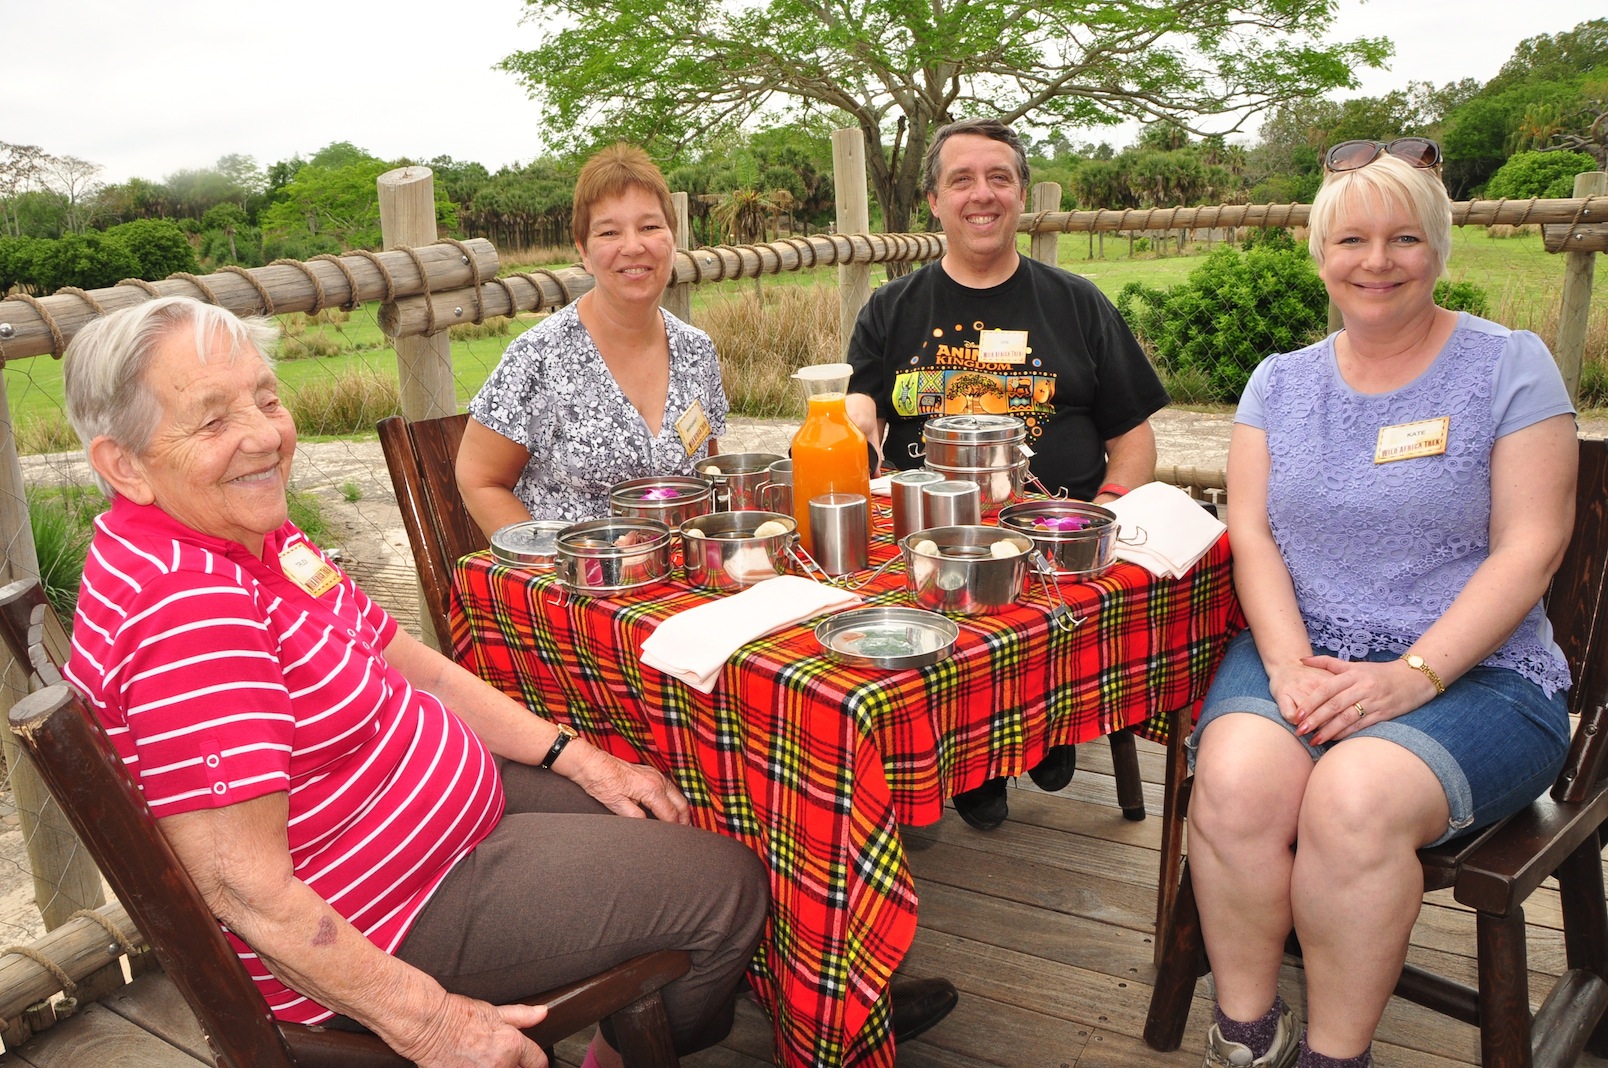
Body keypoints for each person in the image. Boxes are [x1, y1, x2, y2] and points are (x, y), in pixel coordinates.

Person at [60, 296, 769, 1068]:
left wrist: (575, 756)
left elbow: (410, 661)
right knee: (726, 889)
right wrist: (427, 1021)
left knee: (660, 801)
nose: (264, 436)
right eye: (212, 420)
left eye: (266, 399)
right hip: (391, 910)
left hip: (423, 822)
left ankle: (635, 1013)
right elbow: (242, 890)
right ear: (123, 464)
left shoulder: (247, 533)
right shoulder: (190, 611)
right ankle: (624, 1051)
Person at [1187, 138, 1577, 1068]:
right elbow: (1253, 534)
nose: (1377, 261)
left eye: (1404, 238)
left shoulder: (1510, 366)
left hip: (1479, 674)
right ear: (1320, 252)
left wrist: (1410, 677)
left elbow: (1531, 549)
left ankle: (1336, 1055)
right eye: (1351, 239)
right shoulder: (1279, 382)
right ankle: (1247, 1033)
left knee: (1352, 800)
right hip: (1305, 651)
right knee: (1235, 785)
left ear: (1439, 248)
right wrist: (1285, 664)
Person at [844, 117, 1170, 831]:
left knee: (1041, 605)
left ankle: (1050, 721)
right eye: (961, 180)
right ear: (934, 200)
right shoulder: (892, 308)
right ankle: (976, 760)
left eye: (999, 178)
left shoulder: (1077, 301)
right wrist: (855, 414)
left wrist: (1105, 510)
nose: (982, 194)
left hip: (1055, 545)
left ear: (1022, 194)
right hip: (926, 545)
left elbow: (1133, 434)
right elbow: (859, 410)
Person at [458, 143, 729, 534]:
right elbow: (478, 478)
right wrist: (552, 561)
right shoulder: (538, 358)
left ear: (673, 238)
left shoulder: (697, 351)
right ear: (584, 250)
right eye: (609, 232)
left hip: (680, 565)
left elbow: (708, 470)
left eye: (650, 227)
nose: (633, 246)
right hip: (572, 569)